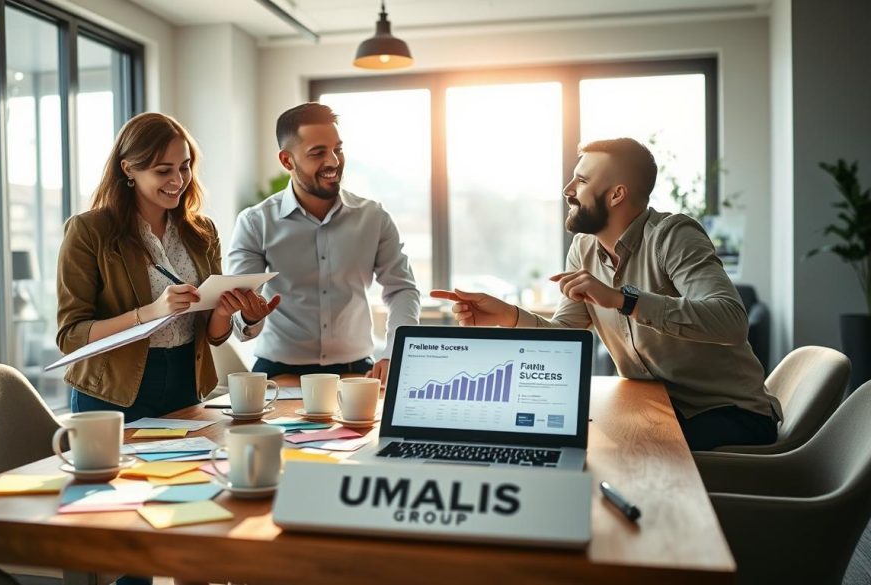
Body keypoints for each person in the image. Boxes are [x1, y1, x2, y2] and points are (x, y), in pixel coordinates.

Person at [431, 137, 781, 451]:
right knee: (560, 437)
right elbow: (567, 335)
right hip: (657, 408)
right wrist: (508, 315)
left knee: (607, 453)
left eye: (581, 180)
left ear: (617, 194)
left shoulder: (673, 236)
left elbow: (732, 322)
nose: (568, 189)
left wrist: (624, 300)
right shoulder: (584, 248)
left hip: (728, 413)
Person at [57, 112, 279, 423]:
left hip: (185, 383)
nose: (178, 181)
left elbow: (211, 335)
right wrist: (151, 312)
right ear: (129, 169)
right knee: (125, 474)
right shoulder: (89, 231)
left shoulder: (202, 231)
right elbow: (71, 336)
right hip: (112, 391)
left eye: (185, 167)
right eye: (164, 171)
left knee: (191, 472)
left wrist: (232, 313)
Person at [227, 102, 420, 385]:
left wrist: (395, 353)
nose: (333, 161)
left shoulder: (373, 217)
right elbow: (240, 323)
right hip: (280, 376)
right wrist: (249, 316)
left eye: (338, 149)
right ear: (286, 160)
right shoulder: (256, 222)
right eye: (318, 153)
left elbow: (402, 289)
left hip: (357, 374)